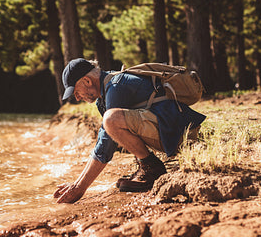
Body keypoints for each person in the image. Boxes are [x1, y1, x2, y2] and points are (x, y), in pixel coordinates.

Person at [53, 58, 206, 203]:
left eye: (76, 92)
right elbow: (102, 138)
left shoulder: (116, 86)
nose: (78, 98)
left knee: (111, 120)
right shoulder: (107, 92)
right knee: (109, 121)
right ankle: (145, 165)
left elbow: (106, 142)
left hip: (183, 133)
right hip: (172, 128)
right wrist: (77, 182)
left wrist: (80, 188)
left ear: (87, 81)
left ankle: (152, 169)